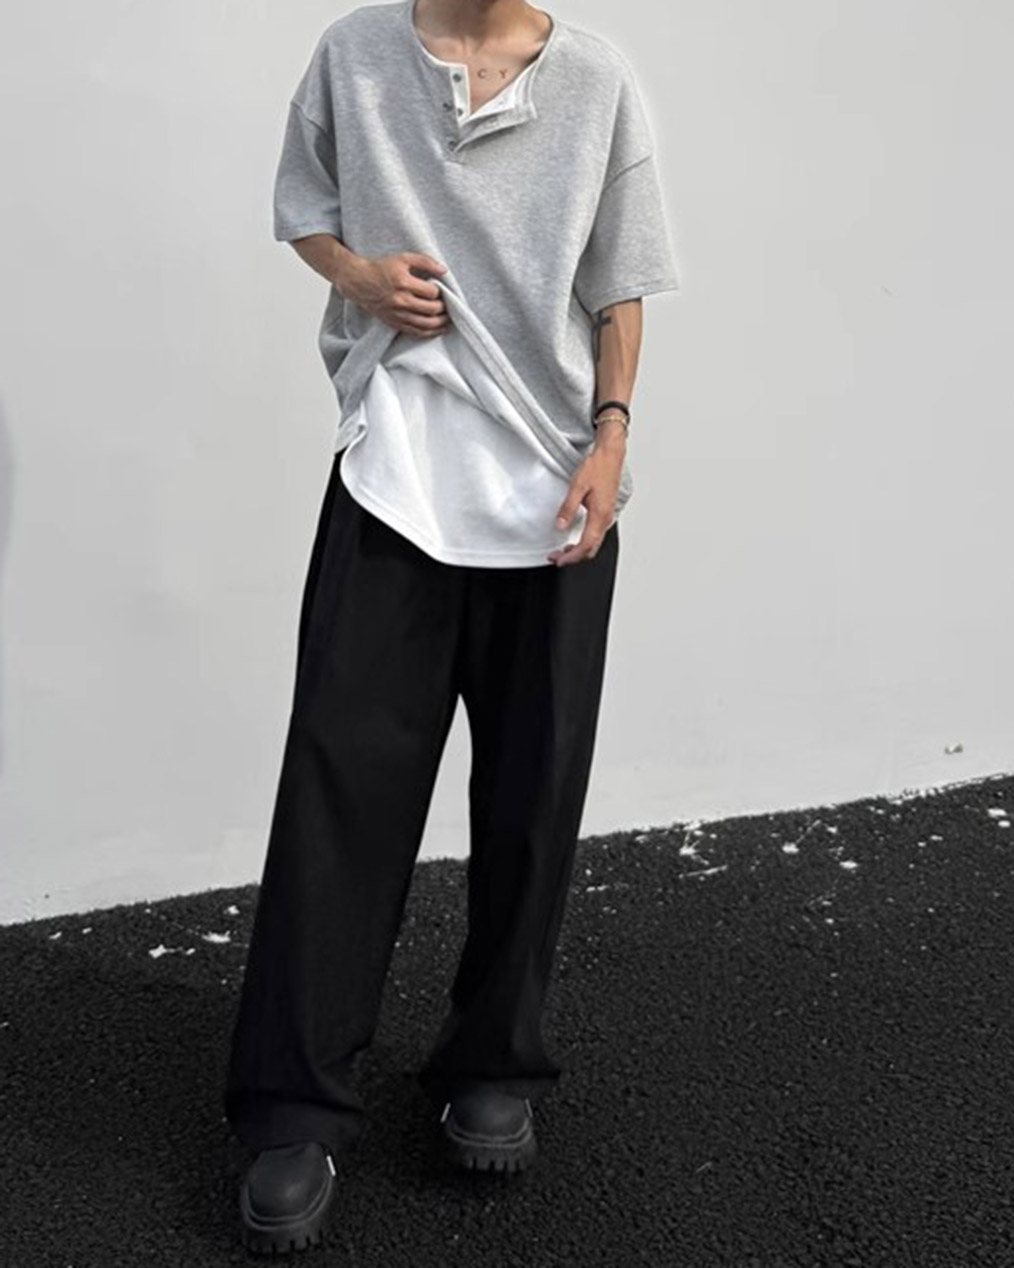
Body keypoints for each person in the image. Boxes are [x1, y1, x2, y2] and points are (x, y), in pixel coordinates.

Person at [223, 0, 680, 1253]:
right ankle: (294, 1103)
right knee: (339, 789)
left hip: (552, 486)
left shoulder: (596, 84)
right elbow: (305, 208)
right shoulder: (355, 55)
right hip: (398, 473)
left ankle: (493, 1060)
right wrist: (359, 276)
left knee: (533, 793)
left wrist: (612, 438)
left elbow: (621, 284)